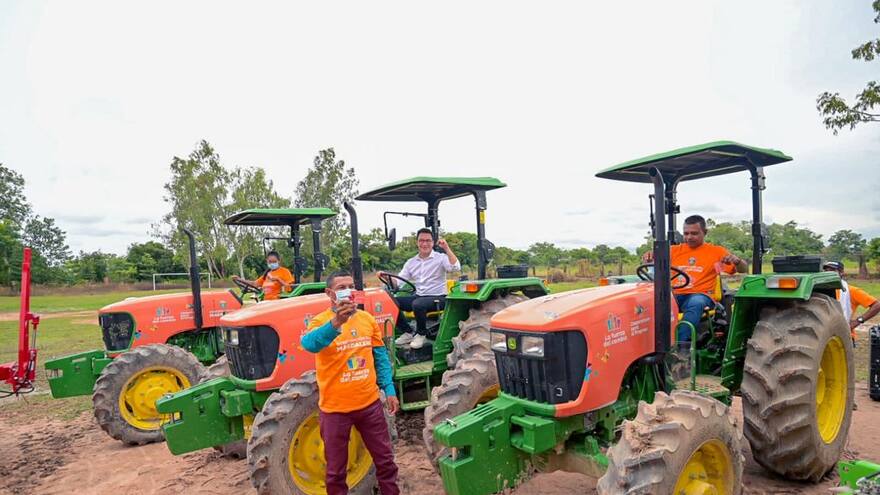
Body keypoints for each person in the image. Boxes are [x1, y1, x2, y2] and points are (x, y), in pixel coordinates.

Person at [300, 270, 400, 495]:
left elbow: (380, 357)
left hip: (370, 406)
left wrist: (389, 390)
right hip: (335, 411)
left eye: (351, 286)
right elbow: (309, 344)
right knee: (335, 473)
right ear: (330, 294)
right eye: (341, 287)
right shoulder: (320, 321)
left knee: (386, 463)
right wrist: (337, 322)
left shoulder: (367, 320)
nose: (347, 291)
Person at [643, 215, 748, 343]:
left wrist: (737, 261)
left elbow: (743, 269)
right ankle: (646, 343)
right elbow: (652, 262)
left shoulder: (716, 252)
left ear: (705, 232)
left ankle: (680, 346)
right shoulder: (673, 251)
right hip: (674, 294)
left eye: (694, 233)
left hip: (701, 296)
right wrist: (648, 258)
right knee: (647, 301)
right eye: (686, 233)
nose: (689, 237)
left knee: (696, 302)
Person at [378, 228, 460, 349]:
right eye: (421, 240)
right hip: (420, 296)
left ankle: (421, 334)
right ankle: (408, 332)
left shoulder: (441, 258)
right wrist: (386, 277)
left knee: (418, 304)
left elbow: (455, 268)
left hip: (439, 297)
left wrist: (447, 248)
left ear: (433, 242)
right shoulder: (411, 262)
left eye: (428, 240)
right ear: (417, 242)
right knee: (390, 301)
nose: (425, 243)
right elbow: (398, 283)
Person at [823, 260, 880, 346]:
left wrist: (858, 321)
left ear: (841, 273)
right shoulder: (818, 290)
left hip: (844, 337)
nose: (828, 273)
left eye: (832, 270)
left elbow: (876, 305)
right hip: (822, 336)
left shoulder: (851, 291)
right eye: (826, 270)